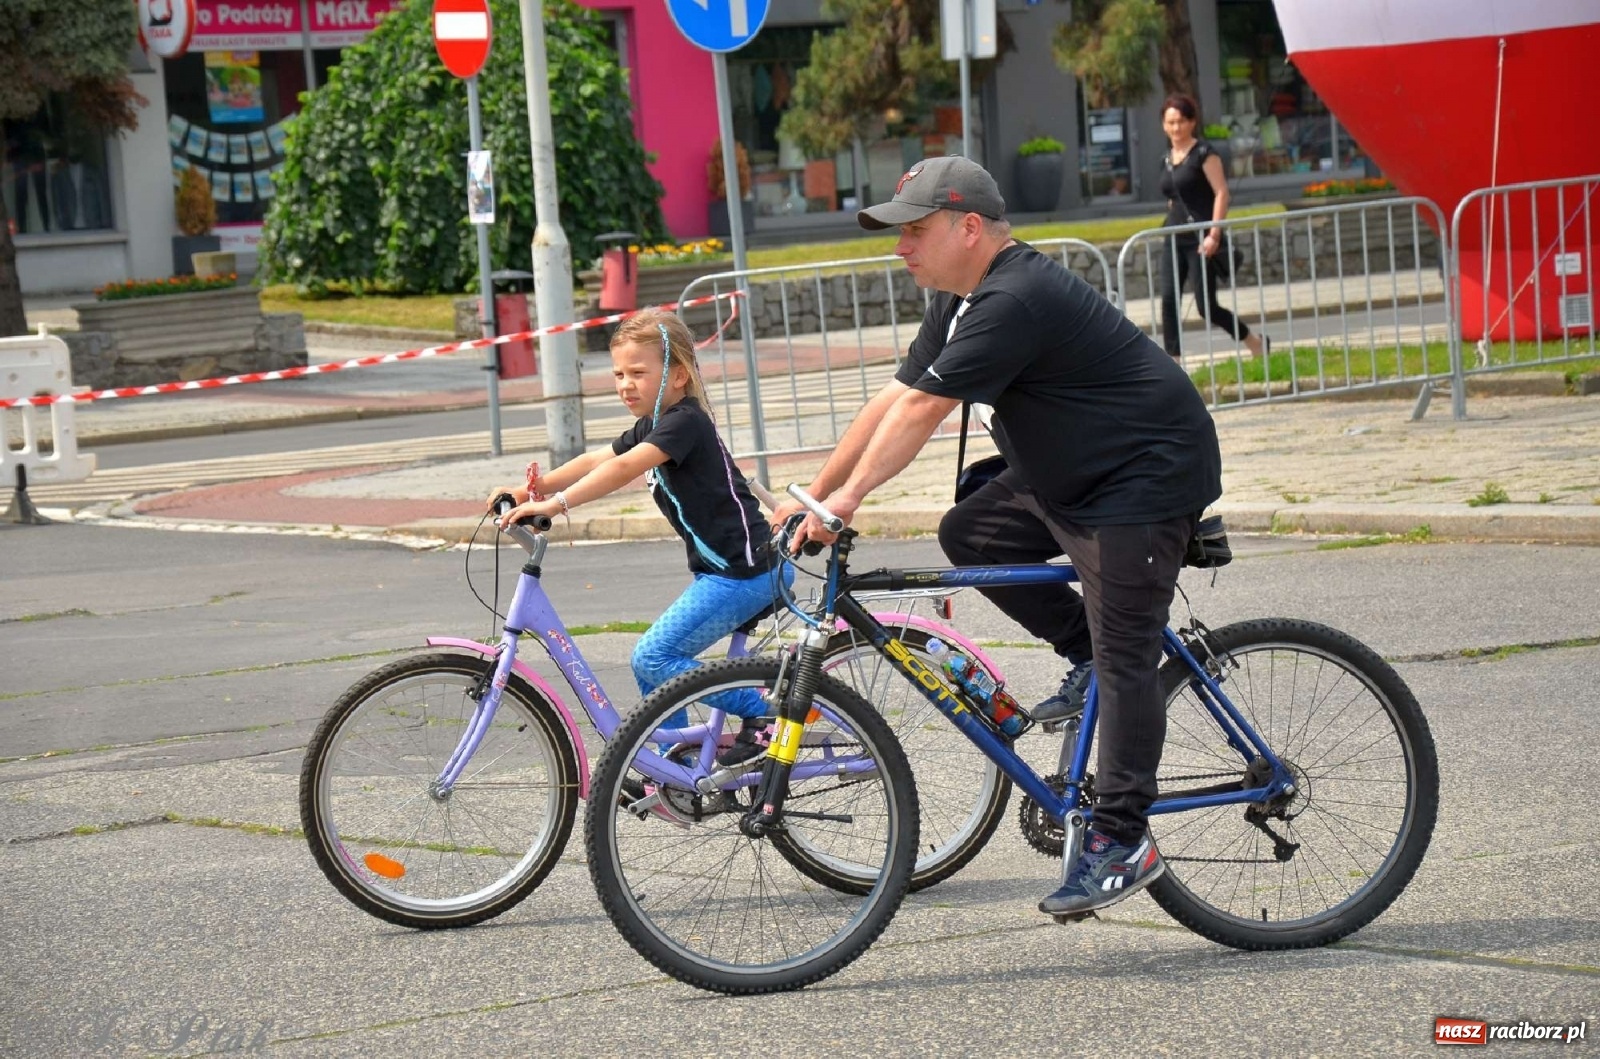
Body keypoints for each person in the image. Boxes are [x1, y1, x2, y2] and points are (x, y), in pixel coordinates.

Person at [775, 155, 1223, 918]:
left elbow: (921, 416)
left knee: (1127, 659)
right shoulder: (959, 300)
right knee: (972, 532)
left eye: (914, 231)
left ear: (968, 227)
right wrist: (816, 494)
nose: (901, 248)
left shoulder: (1015, 296)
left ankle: (1121, 838)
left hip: (1143, 480)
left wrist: (845, 502)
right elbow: (895, 396)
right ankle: (1087, 650)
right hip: (1074, 473)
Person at [490, 309, 794, 762]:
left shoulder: (685, 423)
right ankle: (677, 765)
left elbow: (624, 466)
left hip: (747, 573)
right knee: (657, 664)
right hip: (724, 573)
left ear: (677, 376)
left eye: (637, 372)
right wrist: (529, 489)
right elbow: (598, 458)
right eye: (618, 374)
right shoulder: (654, 423)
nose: (625, 384)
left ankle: (770, 712)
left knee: (652, 657)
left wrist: (556, 506)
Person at [1157, 94, 1268, 361]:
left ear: (1192, 122)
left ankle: (1253, 341)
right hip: (1174, 236)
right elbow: (1173, 197)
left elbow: (1221, 193)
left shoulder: (1205, 154)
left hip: (1201, 238)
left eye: (1181, 121)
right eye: (1170, 122)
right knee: (1169, 300)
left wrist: (1214, 233)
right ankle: (1174, 362)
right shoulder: (1166, 159)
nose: (1176, 128)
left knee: (1206, 306)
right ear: (1163, 124)